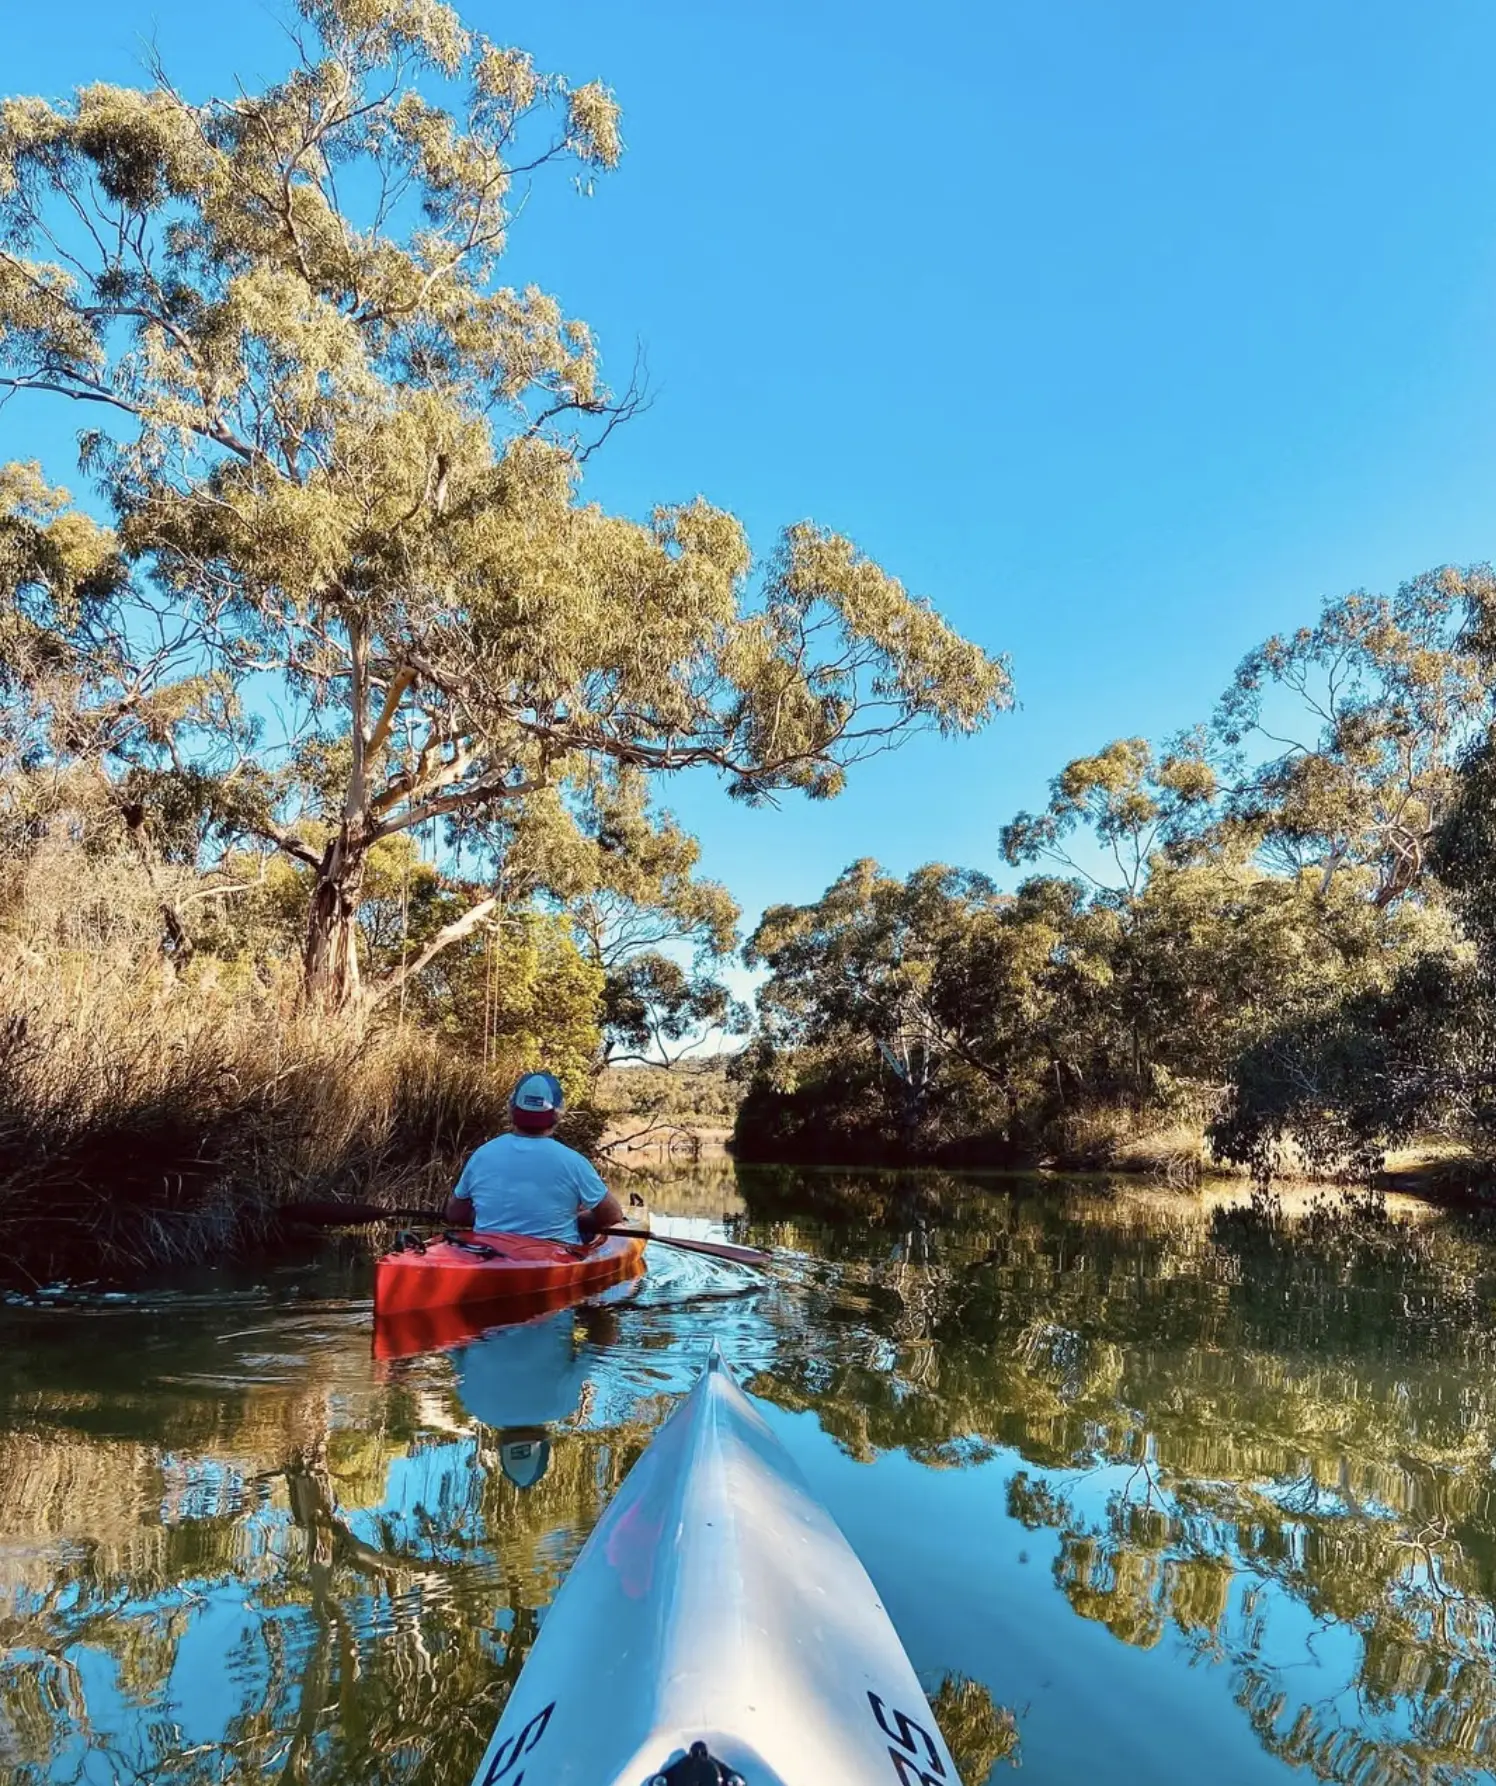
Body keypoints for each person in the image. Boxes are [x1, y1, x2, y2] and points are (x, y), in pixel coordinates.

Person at [443, 1071, 626, 1243]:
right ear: (558, 1114)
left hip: (489, 1254)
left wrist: (490, 1216)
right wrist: (578, 1217)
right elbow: (613, 1216)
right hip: (555, 1261)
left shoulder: (482, 1155)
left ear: (511, 1109)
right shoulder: (573, 1161)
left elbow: (455, 1214)